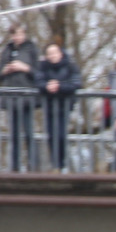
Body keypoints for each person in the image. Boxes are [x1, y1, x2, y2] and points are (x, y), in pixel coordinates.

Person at [0, 25, 37, 172]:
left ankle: (33, 165)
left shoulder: (31, 49)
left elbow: (37, 73)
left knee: (28, 132)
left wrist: (24, 67)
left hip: (26, 96)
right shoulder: (7, 50)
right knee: (13, 134)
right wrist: (5, 70)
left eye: (19, 34)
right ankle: (14, 166)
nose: (17, 37)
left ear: (24, 34)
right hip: (11, 96)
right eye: (14, 35)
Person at [34, 42, 79, 172]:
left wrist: (59, 86)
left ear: (61, 53)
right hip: (49, 106)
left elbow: (76, 83)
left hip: (64, 106)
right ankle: (54, 165)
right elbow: (38, 81)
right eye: (49, 53)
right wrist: (47, 86)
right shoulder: (42, 66)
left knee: (61, 135)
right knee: (51, 136)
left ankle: (62, 164)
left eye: (55, 52)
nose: (52, 56)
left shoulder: (70, 65)